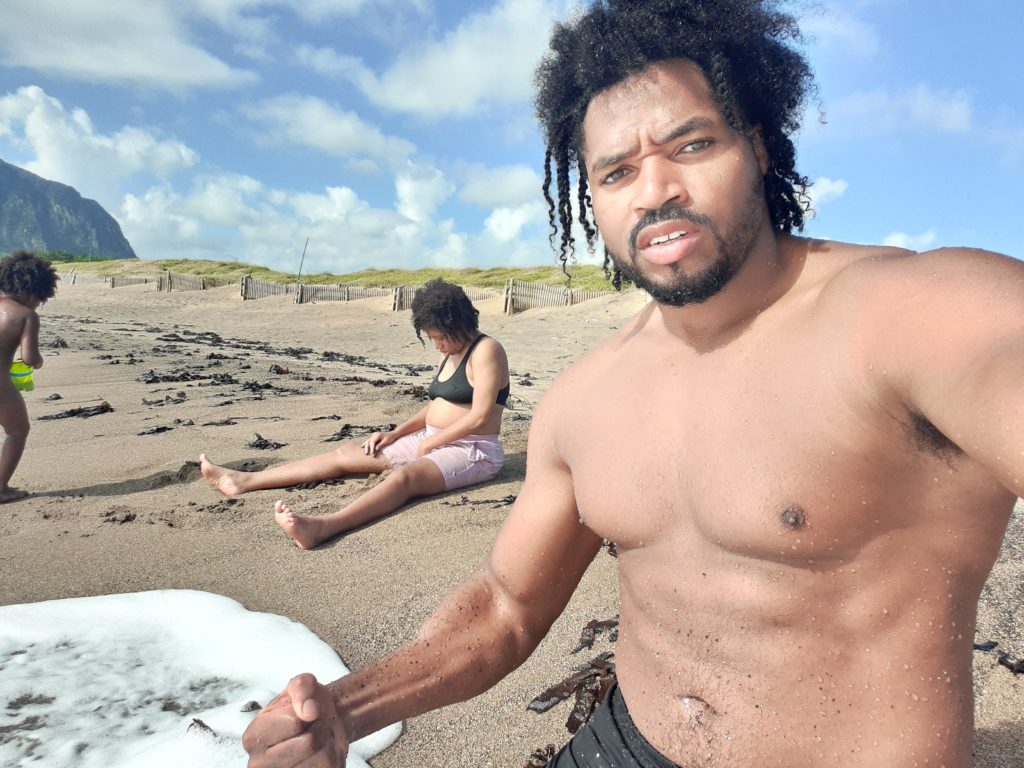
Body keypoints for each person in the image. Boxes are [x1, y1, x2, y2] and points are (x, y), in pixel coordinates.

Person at [242, 1, 1024, 766]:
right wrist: (345, 711)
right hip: (624, 742)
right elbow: (509, 607)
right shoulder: (585, 400)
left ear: (756, 145)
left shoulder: (916, 314)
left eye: (690, 146)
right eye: (617, 172)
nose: (654, 192)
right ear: (592, 198)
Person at [200, 278, 510, 549]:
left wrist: (431, 444)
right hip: (433, 438)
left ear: (459, 324)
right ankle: (245, 480)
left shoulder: (487, 350)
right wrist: (397, 433)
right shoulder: (452, 353)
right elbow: (439, 404)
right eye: (432, 339)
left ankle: (323, 527)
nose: (438, 345)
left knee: (405, 479)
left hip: (472, 450)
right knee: (344, 455)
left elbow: (480, 414)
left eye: (441, 337)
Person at [0, 250, 58, 504]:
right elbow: (29, 358)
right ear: (33, 291)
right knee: (17, 430)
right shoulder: (26, 316)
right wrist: (39, 362)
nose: (38, 304)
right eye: (40, 299)